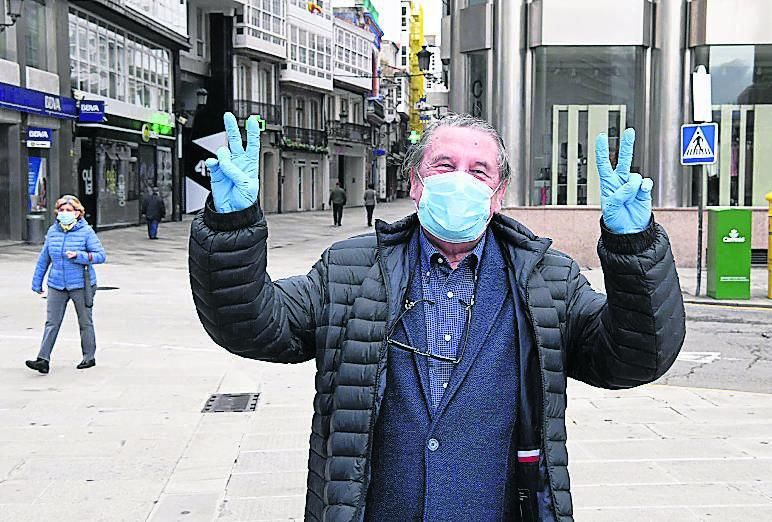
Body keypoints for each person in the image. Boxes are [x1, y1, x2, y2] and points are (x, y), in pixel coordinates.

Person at [189, 113, 685, 520]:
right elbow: (255, 324)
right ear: (416, 183)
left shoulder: (547, 278)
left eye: (478, 171)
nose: (459, 181)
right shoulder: (350, 268)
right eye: (443, 166)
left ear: (498, 193)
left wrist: (634, 247)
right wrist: (232, 227)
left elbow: (632, 357)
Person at [28, 195, 106, 374]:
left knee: (85, 321)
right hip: (57, 284)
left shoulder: (86, 232)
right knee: (51, 323)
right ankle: (43, 359)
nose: (64, 213)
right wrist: (37, 282)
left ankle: (89, 357)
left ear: (78, 213)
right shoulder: (53, 231)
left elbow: (101, 255)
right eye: (61, 210)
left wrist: (79, 256)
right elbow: (44, 259)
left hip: (81, 284)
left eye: (68, 210)